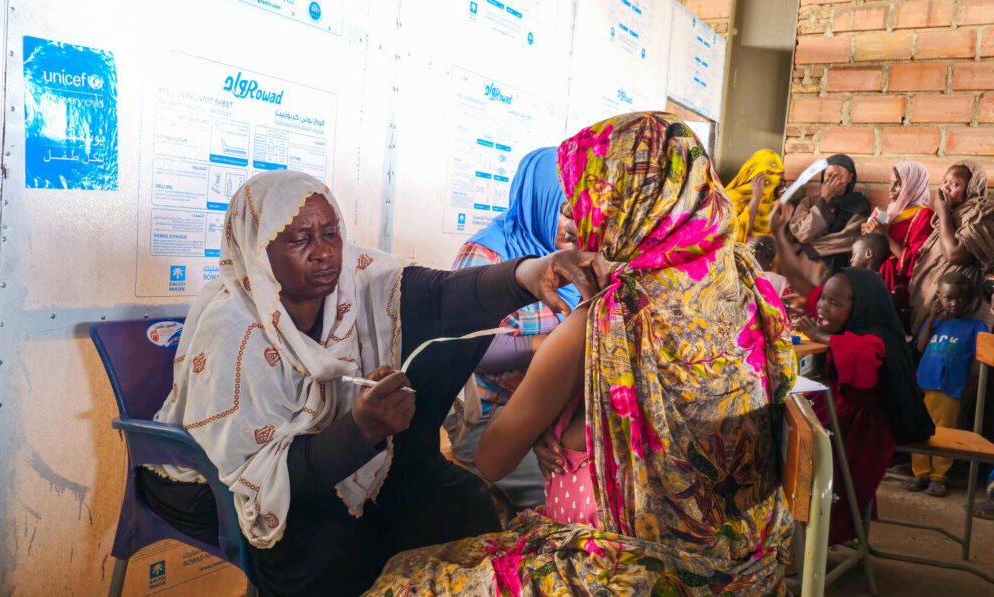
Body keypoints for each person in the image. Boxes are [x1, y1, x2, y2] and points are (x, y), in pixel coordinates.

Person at [364, 112, 797, 596]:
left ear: (624, 206)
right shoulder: (749, 288)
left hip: (634, 569)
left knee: (402, 577)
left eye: (588, 201)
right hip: (747, 557)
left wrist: (541, 419)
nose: (576, 217)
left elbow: (491, 458)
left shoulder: (603, 319)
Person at [138, 171, 610, 596]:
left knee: (456, 505)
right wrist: (360, 431)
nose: (323, 251)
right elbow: (258, 477)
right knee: (330, 549)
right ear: (258, 251)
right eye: (300, 239)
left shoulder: (354, 278)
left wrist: (527, 276)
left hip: (332, 456)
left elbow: (438, 295)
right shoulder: (236, 332)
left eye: (331, 233)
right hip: (221, 483)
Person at [446, 146, 578, 510]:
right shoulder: (487, 257)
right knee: (556, 495)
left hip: (544, 411)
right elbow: (468, 349)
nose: (574, 224)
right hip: (488, 418)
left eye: (580, 210)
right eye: (565, 210)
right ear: (539, 199)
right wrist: (551, 345)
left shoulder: (572, 262)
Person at [794, 268, 934, 544]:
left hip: (864, 428)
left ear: (861, 307)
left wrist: (821, 337)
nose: (823, 306)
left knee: (811, 455)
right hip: (841, 411)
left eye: (834, 303)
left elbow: (860, 357)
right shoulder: (851, 325)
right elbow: (814, 299)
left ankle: (812, 543)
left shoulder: (876, 338)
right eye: (823, 298)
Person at [908, 272, 986, 497]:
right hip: (924, 384)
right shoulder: (935, 323)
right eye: (948, 298)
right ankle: (920, 472)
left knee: (945, 432)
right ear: (938, 298)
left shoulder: (976, 325)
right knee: (920, 430)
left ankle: (938, 475)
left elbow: (979, 360)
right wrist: (931, 319)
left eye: (961, 299)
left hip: (950, 388)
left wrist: (972, 384)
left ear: (971, 300)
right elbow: (921, 348)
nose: (955, 304)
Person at [909, 160, 994, 334]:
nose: (946, 188)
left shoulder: (981, 214)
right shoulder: (953, 213)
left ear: (971, 188)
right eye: (944, 182)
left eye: (955, 184)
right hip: (932, 303)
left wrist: (943, 213)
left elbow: (954, 254)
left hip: (960, 305)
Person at [786, 154, 870, 287]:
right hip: (808, 268)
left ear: (850, 177)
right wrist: (824, 199)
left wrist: (805, 246)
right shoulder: (809, 202)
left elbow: (848, 239)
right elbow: (802, 233)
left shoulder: (859, 205)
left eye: (839, 176)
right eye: (829, 175)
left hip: (841, 271)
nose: (833, 181)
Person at [863, 162, 934, 309]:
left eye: (898, 184)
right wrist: (869, 236)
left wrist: (884, 236)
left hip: (899, 285)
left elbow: (917, 263)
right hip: (877, 277)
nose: (890, 189)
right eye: (890, 183)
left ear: (914, 185)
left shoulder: (924, 216)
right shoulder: (891, 212)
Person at [725, 149, 785, 242]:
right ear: (753, 172)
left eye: (778, 174)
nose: (774, 178)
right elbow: (736, 236)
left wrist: (781, 197)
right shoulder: (731, 198)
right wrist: (756, 197)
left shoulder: (773, 197)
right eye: (769, 173)